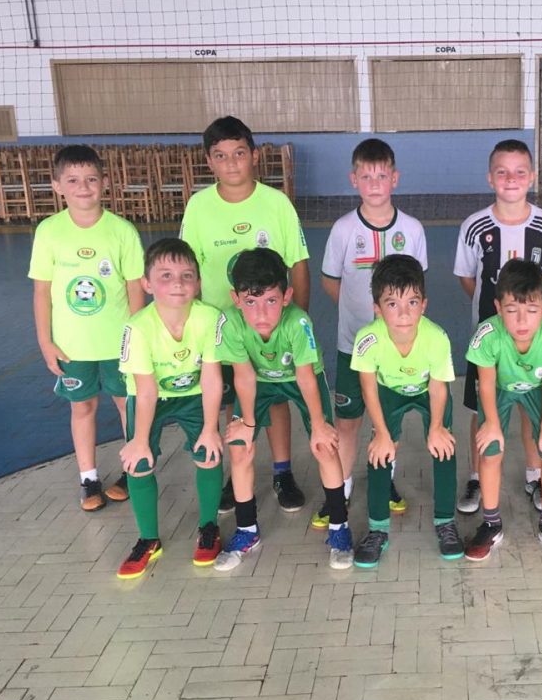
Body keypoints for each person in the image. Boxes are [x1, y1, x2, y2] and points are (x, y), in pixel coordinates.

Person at [180, 116, 311, 514]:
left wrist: (296, 320)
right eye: (220, 156)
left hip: (271, 325)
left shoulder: (277, 203)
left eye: (239, 153)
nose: (231, 163)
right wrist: (191, 325)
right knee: (226, 398)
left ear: (254, 156)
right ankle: (234, 474)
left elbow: (298, 263)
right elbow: (190, 269)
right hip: (221, 328)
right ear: (209, 162)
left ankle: (282, 472)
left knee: (274, 396)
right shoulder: (199, 207)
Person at [217, 249, 353, 571]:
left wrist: (318, 424)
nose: (261, 313)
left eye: (271, 300)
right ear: (236, 299)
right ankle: (247, 529)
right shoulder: (230, 322)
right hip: (257, 380)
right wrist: (248, 424)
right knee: (239, 447)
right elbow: (243, 375)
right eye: (251, 302)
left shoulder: (298, 322)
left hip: (299, 379)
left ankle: (339, 527)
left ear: (287, 296)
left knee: (324, 445)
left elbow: (305, 376)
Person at [28, 145, 145, 511]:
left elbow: (135, 288)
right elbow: (42, 291)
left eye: (91, 179)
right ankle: (88, 479)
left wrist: (136, 338)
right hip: (72, 346)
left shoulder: (122, 231)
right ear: (57, 186)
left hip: (118, 343)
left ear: (105, 183)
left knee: (128, 404)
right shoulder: (49, 232)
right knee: (82, 407)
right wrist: (45, 341)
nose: (83, 187)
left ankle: (132, 469)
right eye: (73, 180)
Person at [453, 140, 542, 515]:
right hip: (489, 342)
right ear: (490, 178)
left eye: (520, 172)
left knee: (530, 407)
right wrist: (495, 315)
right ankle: (476, 476)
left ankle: (535, 474)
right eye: (502, 172)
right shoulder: (474, 226)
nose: (511, 178)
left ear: (532, 176)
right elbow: (468, 278)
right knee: (482, 408)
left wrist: (526, 315)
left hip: (532, 339)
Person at [318, 138, 426, 527]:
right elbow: (331, 281)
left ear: (395, 178)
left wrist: (394, 324)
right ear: (354, 180)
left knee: (388, 422)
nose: (375, 184)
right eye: (367, 177)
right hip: (352, 345)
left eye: (382, 176)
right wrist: (359, 315)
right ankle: (341, 490)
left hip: (397, 349)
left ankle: (385, 482)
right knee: (347, 421)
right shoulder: (343, 229)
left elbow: (417, 286)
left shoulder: (412, 229)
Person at [116, 239, 225, 578]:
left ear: (198, 283)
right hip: (151, 397)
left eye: (186, 275)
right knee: (139, 462)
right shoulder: (137, 328)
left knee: (209, 453)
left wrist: (210, 428)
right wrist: (139, 440)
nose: (177, 283)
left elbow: (211, 378)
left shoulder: (210, 317)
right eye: (165, 275)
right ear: (146, 284)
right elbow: (146, 391)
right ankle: (148, 539)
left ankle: (209, 528)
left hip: (195, 394)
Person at [349, 255, 462, 567]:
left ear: (423, 305)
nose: (403, 313)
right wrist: (382, 434)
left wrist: (436, 428)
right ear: (377, 307)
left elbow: (438, 387)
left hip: (428, 391)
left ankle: (445, 522)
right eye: (392, 303)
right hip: (388, 391)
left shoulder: (436, 337)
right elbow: (369, 388)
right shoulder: (367, 339)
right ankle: (377, 529)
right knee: (380, 452)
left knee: (444, 447)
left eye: (412, 302)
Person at [463, 259, 542, 563]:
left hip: (538, 388)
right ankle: (491, 523)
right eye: (512, 310)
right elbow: (486, 384)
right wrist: (491, 423)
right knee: (491, 448)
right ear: (499, 308)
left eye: (532, 310)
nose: (522, 320)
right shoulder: (487, 334)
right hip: (499, 388)